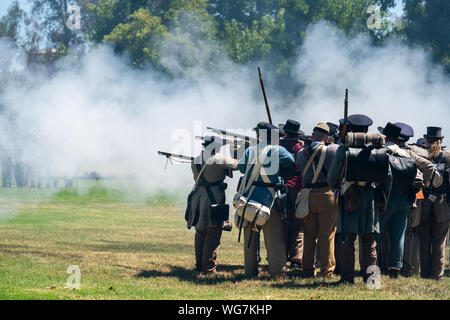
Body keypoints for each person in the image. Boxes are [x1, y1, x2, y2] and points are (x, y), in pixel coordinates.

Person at [328, 114, 392, 284]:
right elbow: (387, 177)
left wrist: (338, 187)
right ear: (366, 130)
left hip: (349, 196)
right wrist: (383, 198)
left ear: (350, 129)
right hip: (370, 199)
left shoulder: (343, 149)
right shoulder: (379, 150)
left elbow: (332, 178)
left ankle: (347, 279)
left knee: (347, 240)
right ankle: (372, 280)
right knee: (370, 241)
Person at [236, 122, 295, 278]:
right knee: (274, 238)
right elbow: (290, 161)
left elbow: (241, 168)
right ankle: (277, 273)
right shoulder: (278, 150)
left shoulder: (250, 150)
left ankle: (250, 272)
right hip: (269, 201)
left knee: (250, 239)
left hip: (249, 199)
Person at [377, 123, 431, 278]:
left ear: (386, 137)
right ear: (398, 139)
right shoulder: (407, 153)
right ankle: (395, 268)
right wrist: (426, 186)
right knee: (398, 236)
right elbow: (427, 166)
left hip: (384, 198)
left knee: (376, 234)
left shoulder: (380, 151)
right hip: (403, 199)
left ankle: (376, 266)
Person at [186, 136, 238, 274]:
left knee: (200, 232)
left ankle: (199, 265)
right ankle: (209, 268)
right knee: (213, 233)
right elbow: (238, 165)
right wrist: (235, 149)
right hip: (213, 199)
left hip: (198, 199)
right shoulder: (219, 159)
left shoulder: (195, 160)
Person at [296, 123, 339, 278]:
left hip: (308, 195)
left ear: (312, 136)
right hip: (327, 194)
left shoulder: (301, 153)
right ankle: (326, 271)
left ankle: (307, 270)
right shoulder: (333, 150)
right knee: (327, 235)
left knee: (309, 235)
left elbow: (299, 167)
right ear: (327, 138)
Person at [418, 127, 450, 280]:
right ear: (441, 140)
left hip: (424, 202)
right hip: (442, 203)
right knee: (439, 241)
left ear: (426, 139)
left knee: (424, 240)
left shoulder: (421, 155)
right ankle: (437, 275)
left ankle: (424, 273)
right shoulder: (448, 157)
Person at [279, 119, 304, 268]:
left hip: (282, 186)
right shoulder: (300, 147)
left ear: (286, 132)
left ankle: (281, 256)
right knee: (297, 224)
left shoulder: (279, 146)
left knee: (283, 222)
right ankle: (296, 258)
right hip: (298, 187)